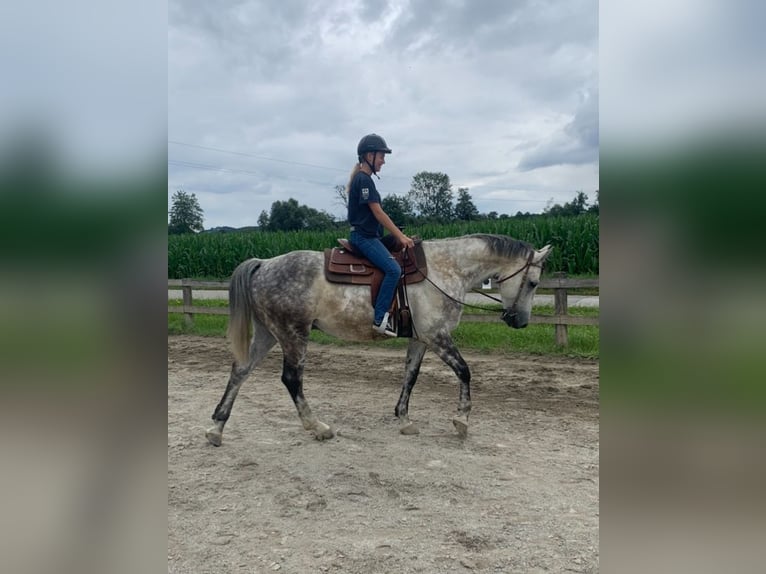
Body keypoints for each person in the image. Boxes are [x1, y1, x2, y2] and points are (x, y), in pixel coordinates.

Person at [347, 133, 415, 336]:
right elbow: (378, 213)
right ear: (369, 155)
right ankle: (380, 317)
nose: (383, 161)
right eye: (381, 156)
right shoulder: (364, 180)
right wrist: (400, 236)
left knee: (399, 247)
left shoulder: (363, 179)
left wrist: (398, 237)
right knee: (393, 269)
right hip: (363, 237)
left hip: (371, 236)